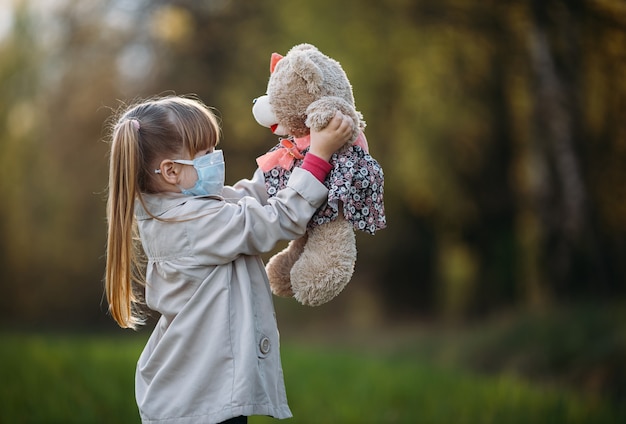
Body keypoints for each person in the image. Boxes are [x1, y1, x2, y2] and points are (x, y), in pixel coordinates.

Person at [104, 94, 353, 424]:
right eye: (204, 154)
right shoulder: (190, 223)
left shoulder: (184, 211)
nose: (215, 159)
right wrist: (318, 157)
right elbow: (273, 221)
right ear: (170, 171)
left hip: (199, 394)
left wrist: (287, 157)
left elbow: (246, 198)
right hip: (201, 399)